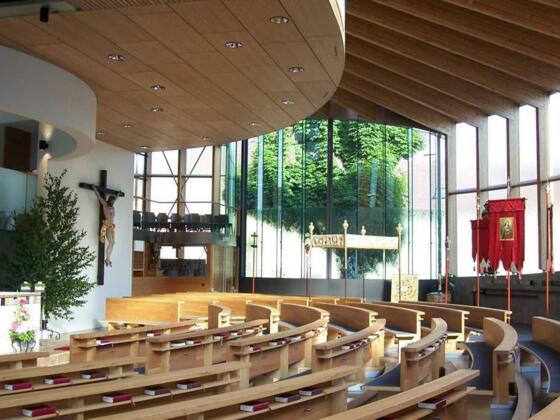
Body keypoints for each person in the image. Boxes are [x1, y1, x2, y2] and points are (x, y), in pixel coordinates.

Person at [92, 185, 117, 267]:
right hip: (107, 225)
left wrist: (118, 195)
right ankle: (107, 259)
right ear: (109, 200)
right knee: (111, 242)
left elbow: (116, 199)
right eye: (112, 201)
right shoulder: (105, 204)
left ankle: (108, 258)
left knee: (113, 243)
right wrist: (94, 188)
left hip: (111, 226)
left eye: (114, 201)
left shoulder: (112, 206)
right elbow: (99, 197)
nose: (113, 202)